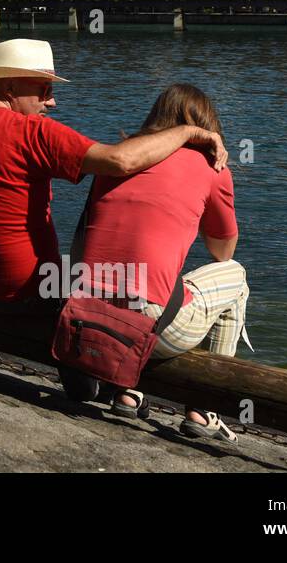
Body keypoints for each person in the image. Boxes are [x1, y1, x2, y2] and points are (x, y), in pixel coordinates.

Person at [0, 38, 227, 306]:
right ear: (9, 87)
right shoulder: (33, 133)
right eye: (44, 90)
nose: (52, 103)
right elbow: (121, 161)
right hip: (31, 292)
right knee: (113, 285)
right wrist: (188, 132)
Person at [74, 83, 246, 441]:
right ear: (208, 126)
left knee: (148, 281)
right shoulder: (211, 167)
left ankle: (128, 389)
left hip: (85, 316)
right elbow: (222, 251)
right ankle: (203, 409)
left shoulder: (117, 159)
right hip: (148, 325)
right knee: (235, 278)